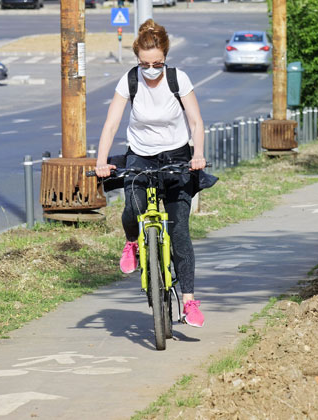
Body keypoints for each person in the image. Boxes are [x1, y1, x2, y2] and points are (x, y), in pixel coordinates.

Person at [95, 19, 207, 327]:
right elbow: (111, 124)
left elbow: (196, 122)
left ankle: (189, 301)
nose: (151, 69)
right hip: (141, 155)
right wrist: (101, 160)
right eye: (145, 64)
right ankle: (132, 242)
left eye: (157, 63)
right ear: (137, 60)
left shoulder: (178, 79)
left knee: (179, 230)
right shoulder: (130, 81)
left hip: (177, 156)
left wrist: (197, 154)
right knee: (133, 206)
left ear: (166, 58)